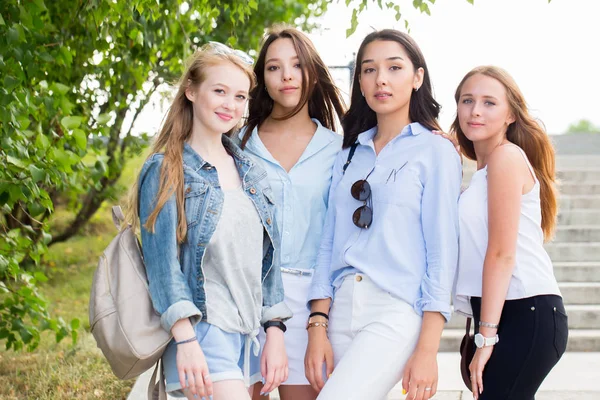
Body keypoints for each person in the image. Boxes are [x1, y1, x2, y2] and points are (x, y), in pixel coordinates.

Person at [128, 42, 292, 400]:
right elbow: (163, 267)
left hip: (249, 334)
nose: (230, 105)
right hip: (203, 332)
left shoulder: (252, 171)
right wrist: (185, 339)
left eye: (240, 96)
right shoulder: (166, 170)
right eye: (219, 91)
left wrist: (275, 332)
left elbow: (269, 262)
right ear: (190, 90)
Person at [305, 29, 462, 400]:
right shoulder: (348, 154)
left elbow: (443, 253)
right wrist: (318, 325)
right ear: (359, 81)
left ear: (417, 77)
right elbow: (329, 240)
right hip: (341, 307)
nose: (381, 80)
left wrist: (427, 348)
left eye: (394, 68)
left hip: (395, 309)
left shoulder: (436, 151)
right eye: (369, 70)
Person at [237, 26, 346, 400]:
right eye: (273, 67)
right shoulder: (237, 145)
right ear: (261, 79)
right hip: (245, 295)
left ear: (312, 72)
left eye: (296, 65)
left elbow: (338, 238)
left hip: (308, 300)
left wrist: (320, 317)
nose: (286, 75)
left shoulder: (339, 149)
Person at [452, 66, 567, 400]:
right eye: (467, 100)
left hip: (525, 311)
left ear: (511, 114)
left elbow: (502, 253)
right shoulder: (483, 172)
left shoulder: (506, 157)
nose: (475, 110)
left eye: (489, 103)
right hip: (508, 313)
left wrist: (486, 337)